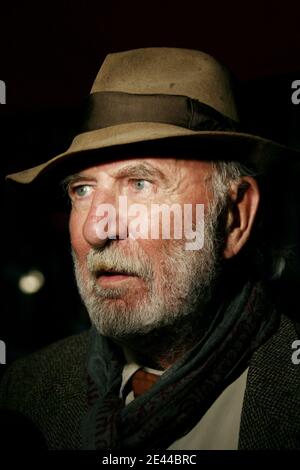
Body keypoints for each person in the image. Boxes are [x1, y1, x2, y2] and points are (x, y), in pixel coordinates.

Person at [1, 47, 300, 450]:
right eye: (82, 190)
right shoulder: (23, 392)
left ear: (234, 218)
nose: (95, 229)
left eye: (140, 184)